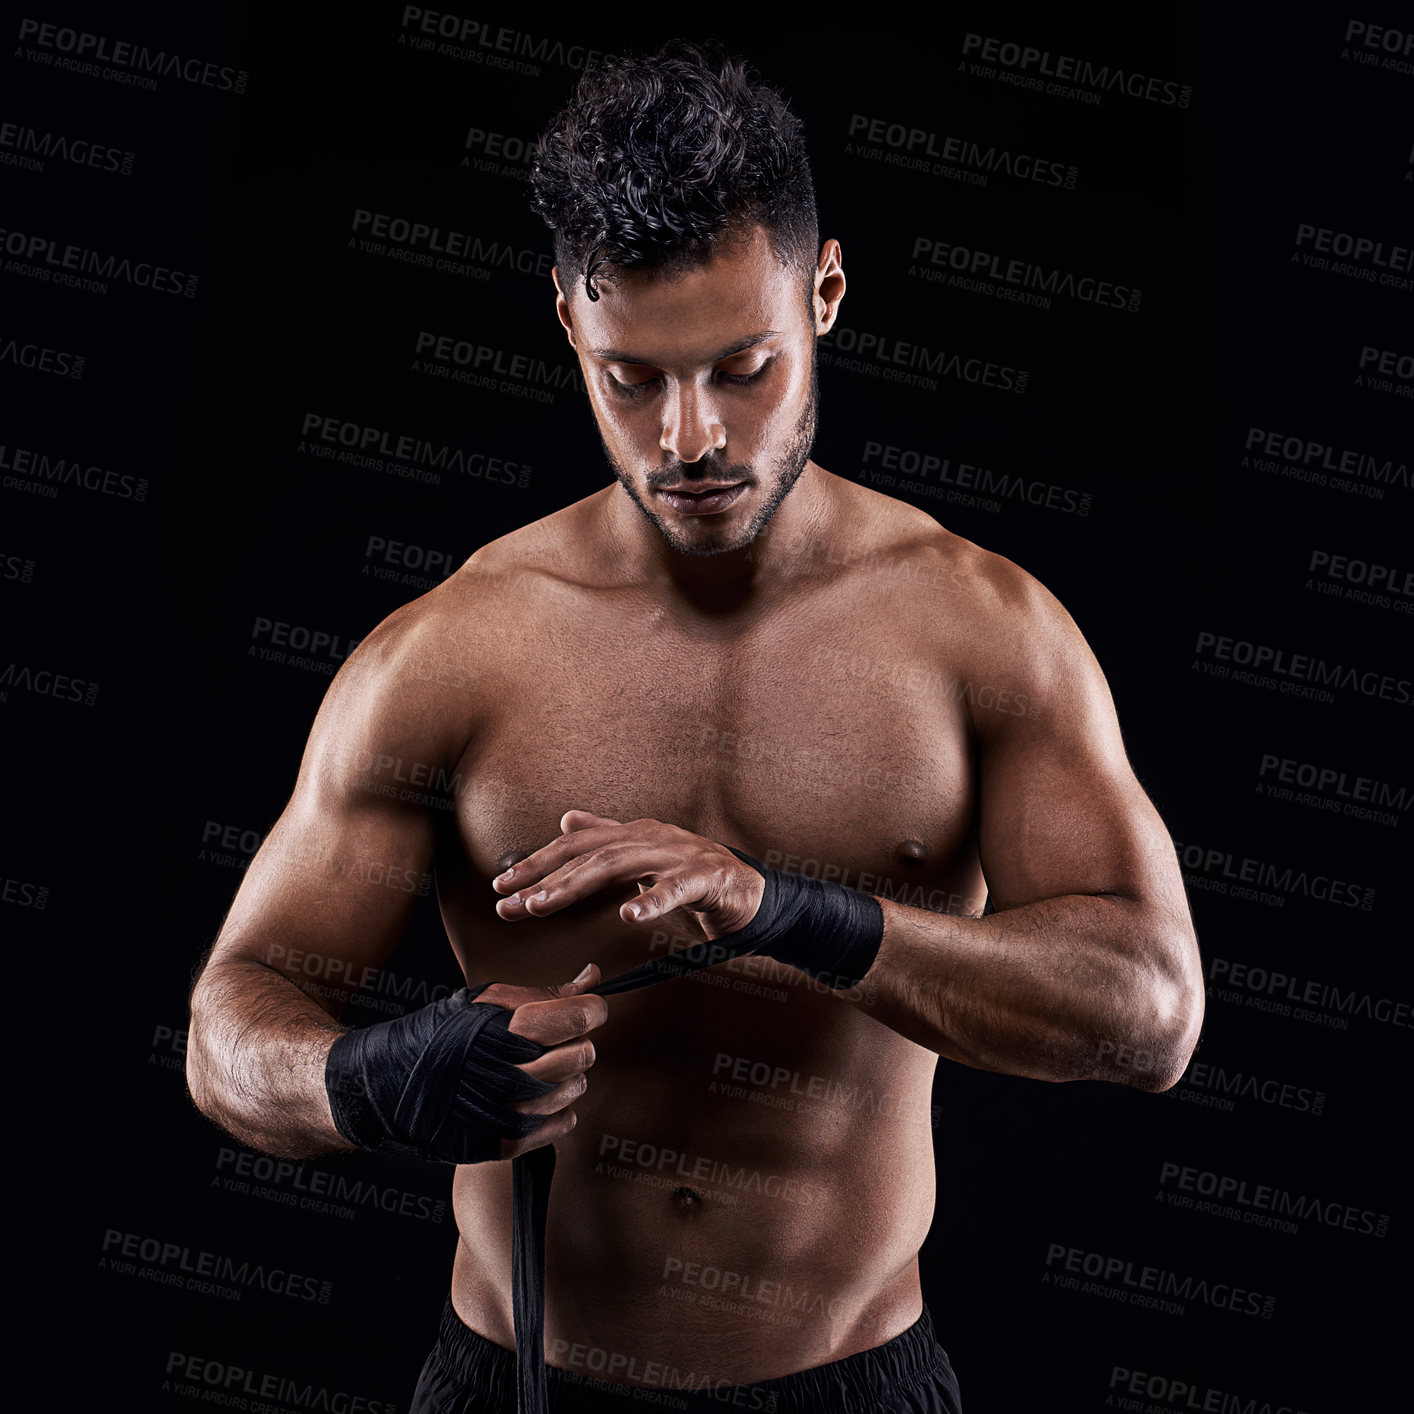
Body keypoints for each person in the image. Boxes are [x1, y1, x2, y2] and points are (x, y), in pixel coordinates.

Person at [186, 38, 1205, 1414]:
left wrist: (794, 914)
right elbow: (227, 1029)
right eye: (633, 378)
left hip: (849, 1381)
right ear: (566, 323)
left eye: (742, 367)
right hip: (518, 1378)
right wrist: (366, 1079)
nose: (689, 437)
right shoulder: (447, 655)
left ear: (825, 291)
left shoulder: (977, 632)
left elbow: (1146, 1012)